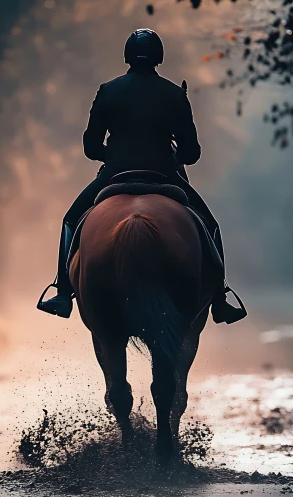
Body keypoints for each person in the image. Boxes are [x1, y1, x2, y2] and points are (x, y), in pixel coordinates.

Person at [40, 28, 246, 324]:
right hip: (165, 175)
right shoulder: (175, 94)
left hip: (114, 174)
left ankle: (62, 292)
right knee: (210, 226)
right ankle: (219, 299)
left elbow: (90, 146)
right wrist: (176, 154)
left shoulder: (108, 90)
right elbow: (192, 153)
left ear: (126, 55)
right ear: (159, 57)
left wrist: (110, 154)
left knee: (71, 220)